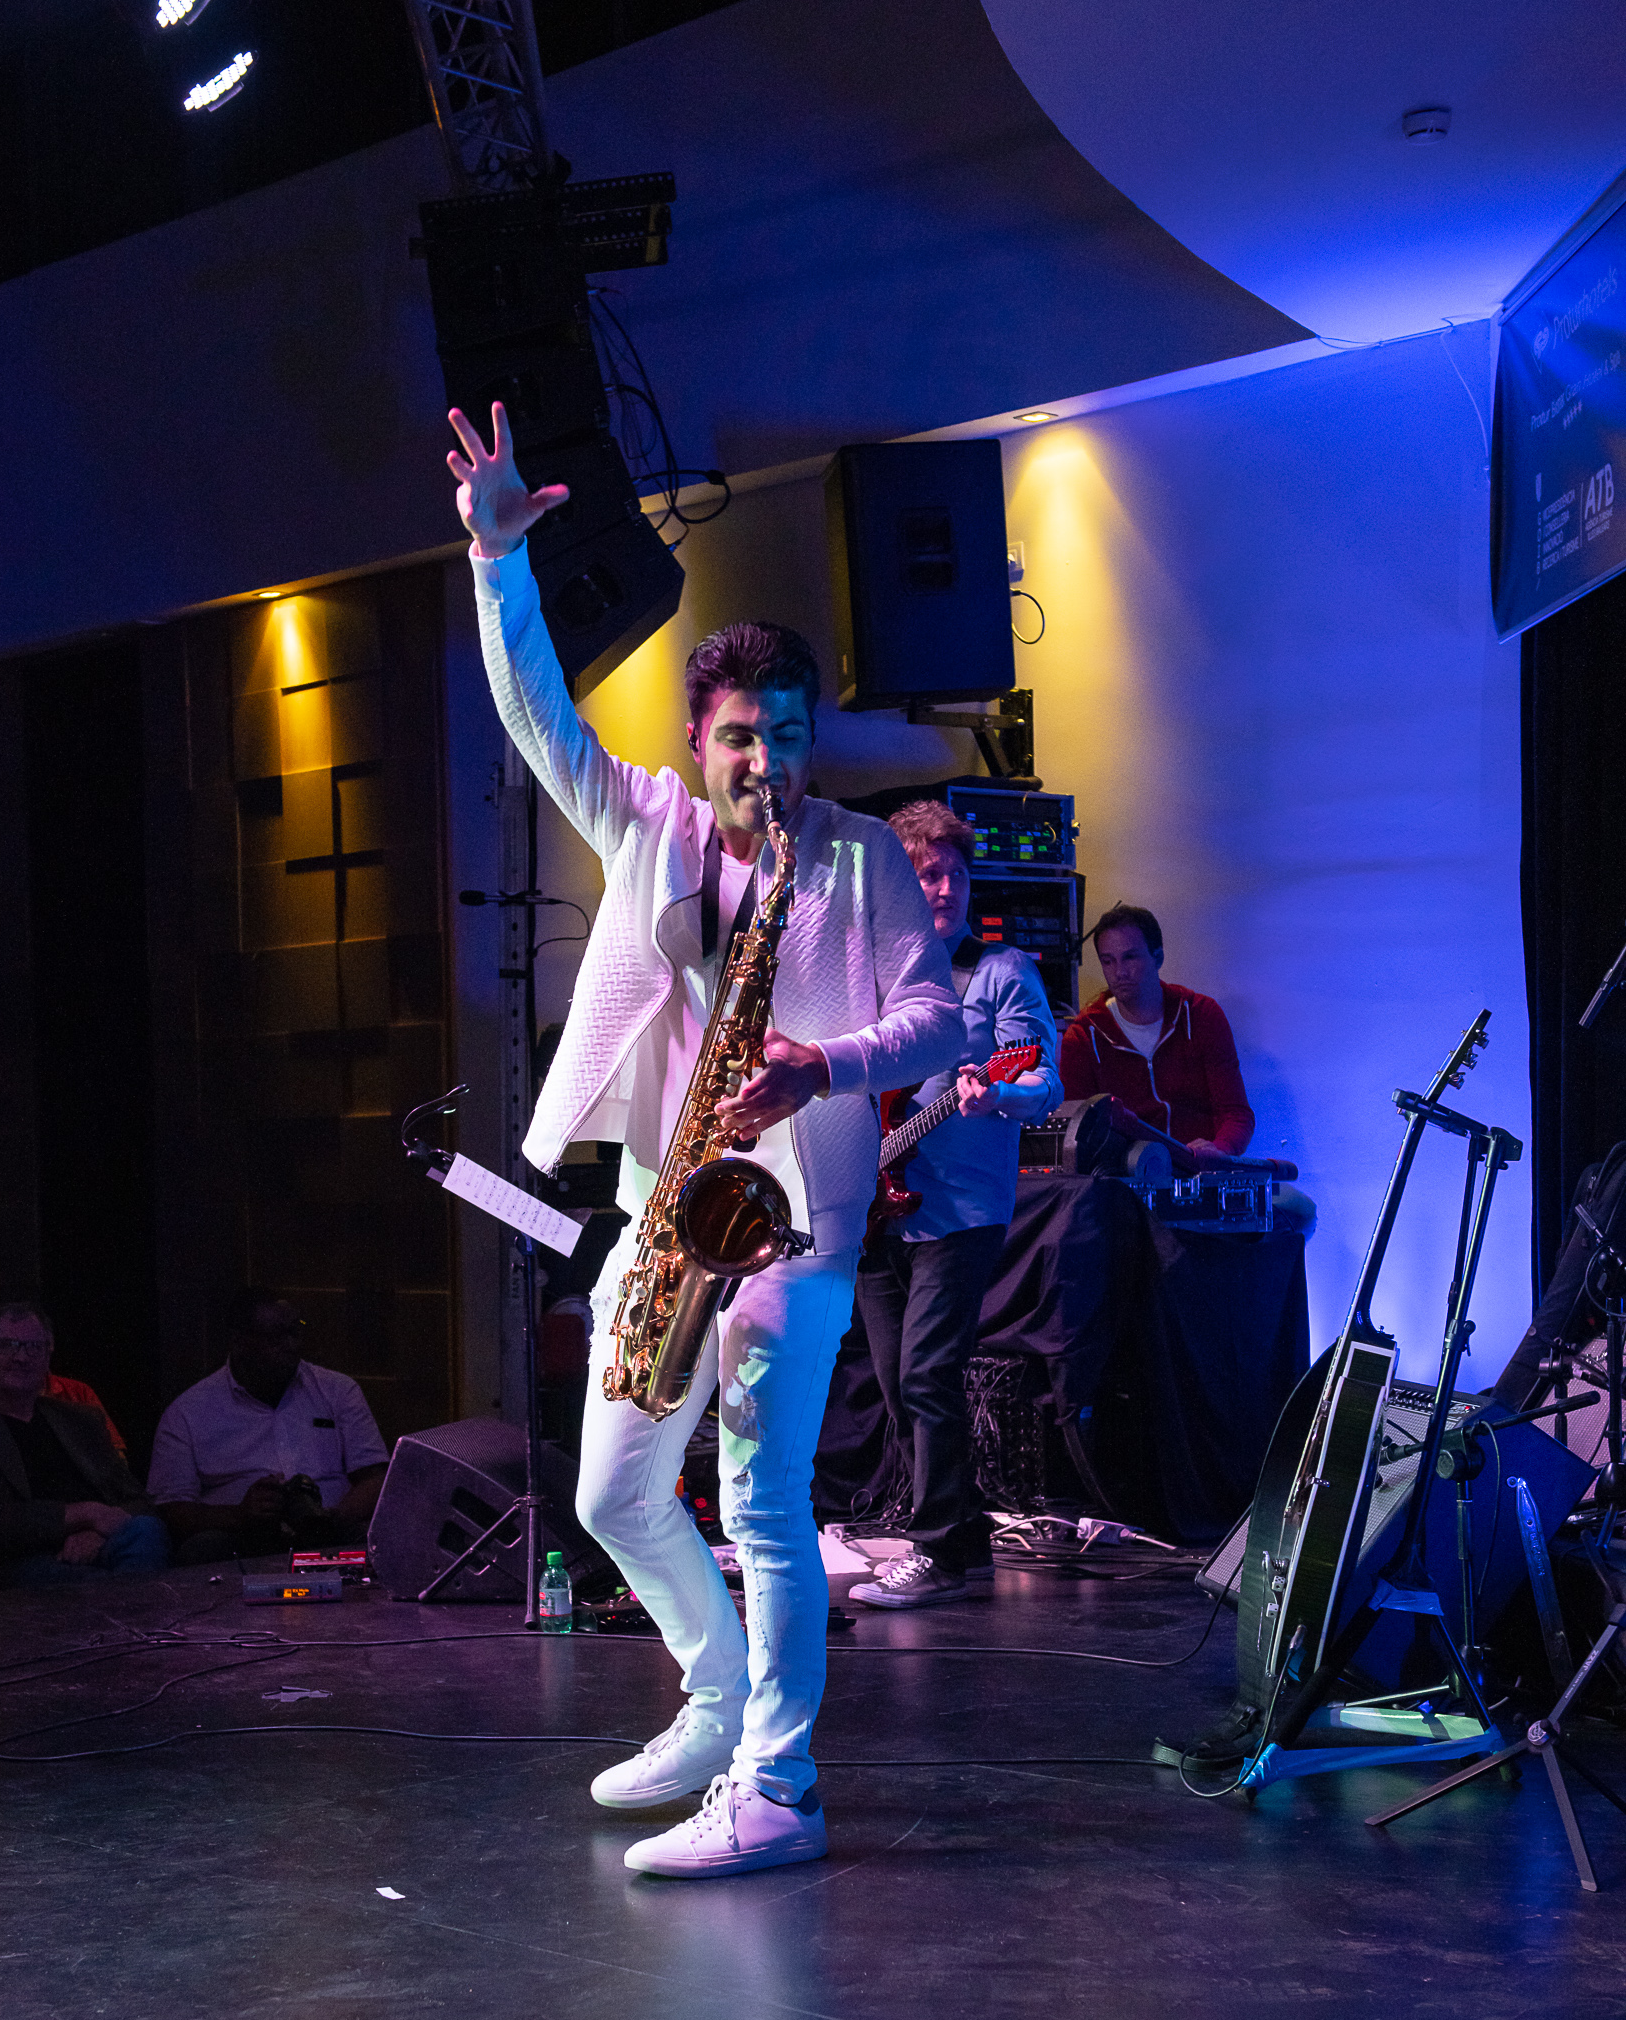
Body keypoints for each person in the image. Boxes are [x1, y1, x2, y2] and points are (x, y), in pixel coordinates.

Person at [447, 398, 963, 1879]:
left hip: (793, 1230)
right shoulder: (649, 826)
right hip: (671, 1212)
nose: (766, 765)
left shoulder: (858, 860)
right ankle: (715, 1694)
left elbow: (936, 1018)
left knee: (763, 1503)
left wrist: (824, 1064)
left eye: (788, 738)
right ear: (699, 738)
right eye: (742, 738)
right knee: (611, 1488)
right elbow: (539, 720)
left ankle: (779, 1785)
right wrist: (497, 564)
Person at [848, 802, 1063, 1610]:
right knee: (898, 1384)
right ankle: (958, 1536)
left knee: (927, 1373)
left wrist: (994, 1094)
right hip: (876, 1203)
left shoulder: (999, 972)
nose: (944, 889)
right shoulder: (872, 974)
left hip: (963, 1206)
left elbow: (1042, 1083)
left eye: (956, 875)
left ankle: (936, 1550)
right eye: (927, 875)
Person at [147, 1288, 389, 1560]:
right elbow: (173, 1510)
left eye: (295, 1332)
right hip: (241, 1537)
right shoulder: (188, 1412)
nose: (291, 1345)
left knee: (384, 1540)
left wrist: (331, 1517)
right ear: (239, 1341)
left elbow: (376, 1478)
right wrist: (240, 1514)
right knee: (202, 1549)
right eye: (276, 1337)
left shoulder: (337, 1390)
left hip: (331, 1528)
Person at [0, 1303, 171, 1585]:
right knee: (87, 1581)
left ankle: (131, 1609)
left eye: (33, 1346)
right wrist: (85, 1514)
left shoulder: (81, 1420)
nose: (21, 1357)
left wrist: (96, 1532)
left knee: (146, 1529)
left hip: (100, 1541)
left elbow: (140, 1501)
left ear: (48, 1355)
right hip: (24, 1558)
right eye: (7, 1345)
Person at [1058, 904, 1254, 1157]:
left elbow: (1236, 1113)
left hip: (1201, 1167)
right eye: (1108, 961)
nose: (1119, 972)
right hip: (1125, 1175)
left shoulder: (1201, 1014)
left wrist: (1220, 1150)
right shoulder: (1084, 1036)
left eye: (1130, 957)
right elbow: (1078, 1133)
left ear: (1158, 957)